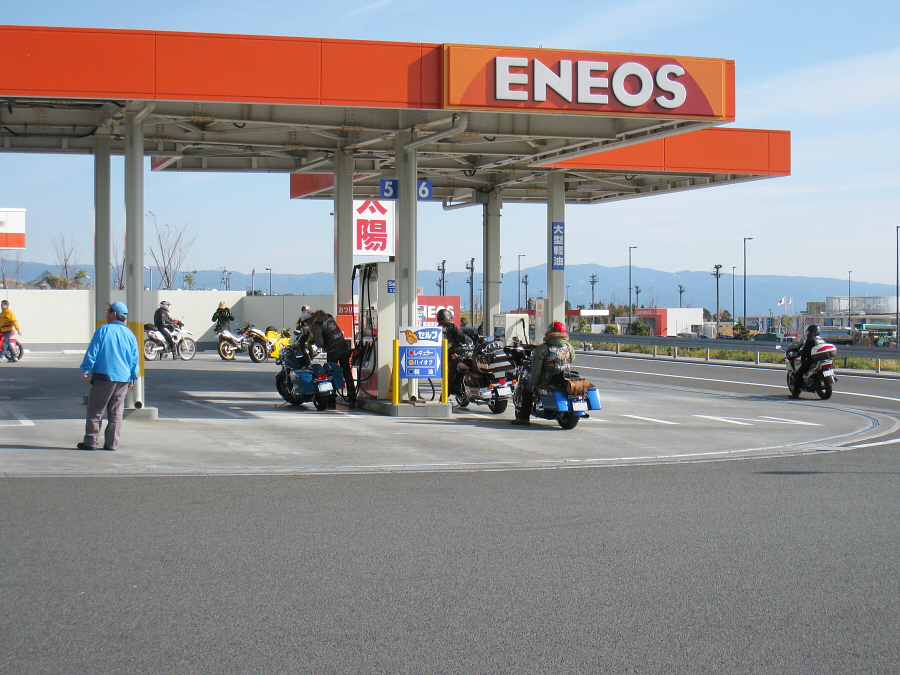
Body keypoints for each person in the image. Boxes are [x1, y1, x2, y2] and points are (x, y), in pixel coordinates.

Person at [77, 301, 140, 451]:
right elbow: (135, 358)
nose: (107, 314)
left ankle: (91, 441)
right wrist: (133, 377)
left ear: (114, 313)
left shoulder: (104, 330)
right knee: (116, 413)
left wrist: (86, 369)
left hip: (104, 376)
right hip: (123, 379)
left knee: (96, 410)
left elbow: (93, 351)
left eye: (108, 311)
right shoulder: (130, 334)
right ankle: (112, 443)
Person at [512, 321, 575, 426]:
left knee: (526, 390)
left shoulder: (543, 348)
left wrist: (534, 383)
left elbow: (536, 369)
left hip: (547, 380)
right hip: (564, 378)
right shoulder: (569, 347)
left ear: (551, 332)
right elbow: (572, 359)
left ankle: (523, 418)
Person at [304, 307, 357, 408]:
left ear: (310, 320)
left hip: (333, 350)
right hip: (343, 346)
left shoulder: (316, 325)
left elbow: (319, 343)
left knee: (331, 374)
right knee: (346, 372)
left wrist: (313, 340)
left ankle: (331, 400)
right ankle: (352, 398)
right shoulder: (328, 317)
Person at [436, 308, 472, 392]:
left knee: (449, 376)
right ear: (447, 316)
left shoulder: (437, 328)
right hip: (454, 353)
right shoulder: (451, 326)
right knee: (468, 366)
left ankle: (447, 393)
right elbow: (461, 336)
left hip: (443, 356)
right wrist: (471, 342)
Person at [790, 324, 820, 398]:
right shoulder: (820, 339)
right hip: (820, 360)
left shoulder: (811, 340)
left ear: (811, 332)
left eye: (808, 332)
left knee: (798, 374)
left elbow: (806, 351)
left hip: (812, 361)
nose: (808, 333)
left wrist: (802, 359)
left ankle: (795, 393)